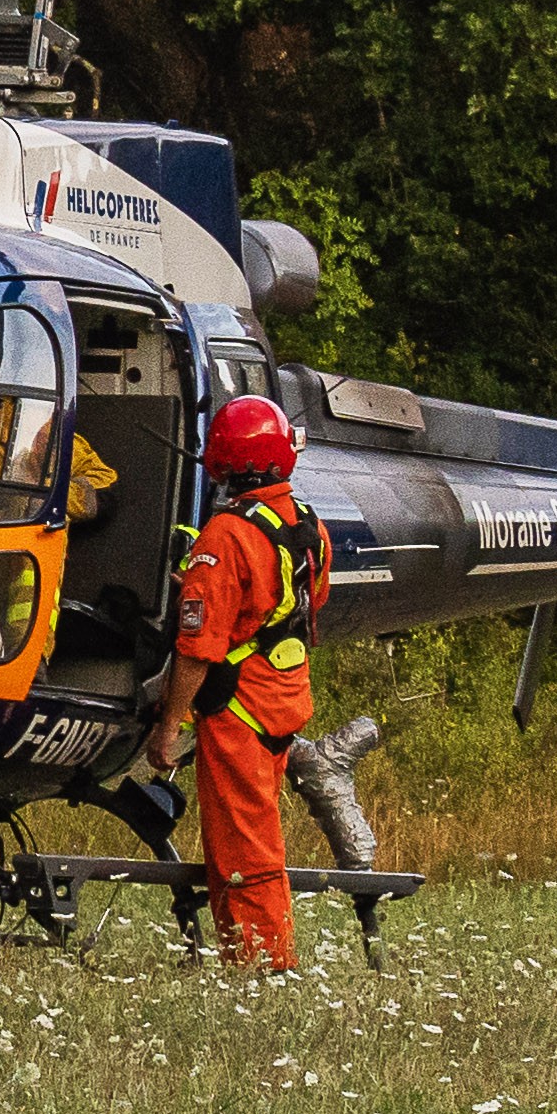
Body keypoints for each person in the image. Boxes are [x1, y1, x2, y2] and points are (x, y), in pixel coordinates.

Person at [160, 389, 329, 975]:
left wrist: (168, 728)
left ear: (227, 462)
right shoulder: (309, 527)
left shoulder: (225, 538)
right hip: (283, 702)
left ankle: (263, 966)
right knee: (248, 838)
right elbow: (307, 611)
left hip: (239, 711)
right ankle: (249, 958)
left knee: (244, 850)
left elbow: (196, 650)